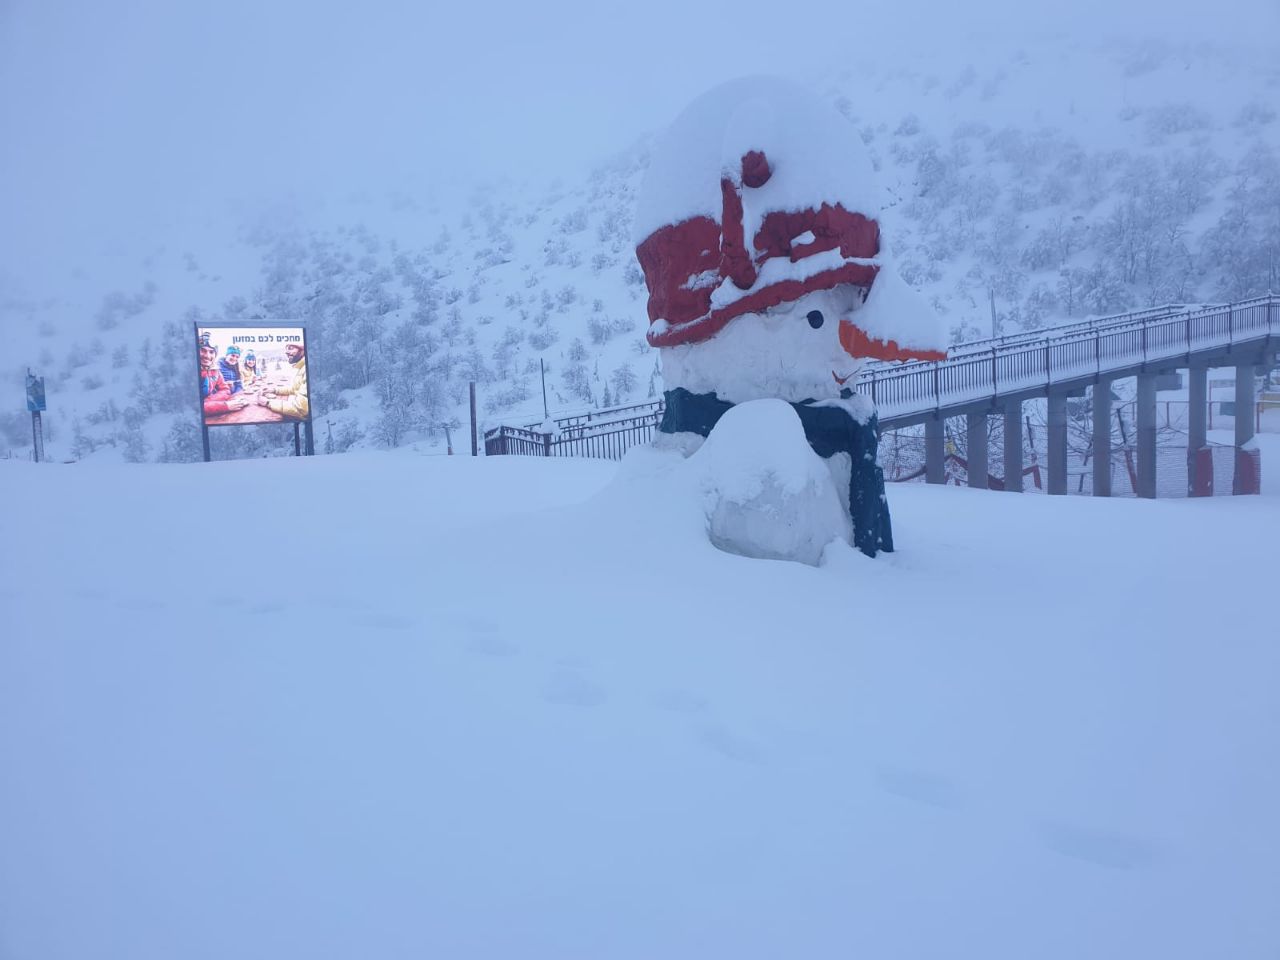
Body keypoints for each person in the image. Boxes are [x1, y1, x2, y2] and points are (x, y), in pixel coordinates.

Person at [198, 333, 248, 416]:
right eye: (203, 351)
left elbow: (225, 389)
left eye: (211, 352)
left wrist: (207, 402)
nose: (207, 356)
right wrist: (224, 406)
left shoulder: (215, 370)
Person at [257, 342, 309, 420]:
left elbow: (300, 409)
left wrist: (267, 402)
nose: (286, 352)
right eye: (286, 349)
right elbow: (294, 389)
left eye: (291, 348)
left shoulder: (306, 369)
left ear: (303, 350)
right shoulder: (302, 367)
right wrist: (274, 390)